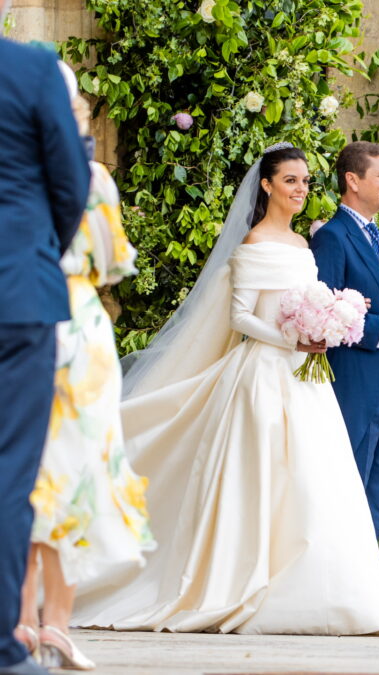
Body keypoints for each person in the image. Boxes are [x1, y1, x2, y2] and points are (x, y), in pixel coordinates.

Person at [70, 144, 379, 636]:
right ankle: (252, 586)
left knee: (318, 482)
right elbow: (242, 317)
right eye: (290, 180)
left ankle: (335, 596)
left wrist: (328, 326)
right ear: (266, 185)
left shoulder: (305, 247)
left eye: (306, 181)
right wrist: (290, 336)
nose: (301, 190)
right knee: (263, 478)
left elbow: (315, 299)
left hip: (306, 379)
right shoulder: (252, 243)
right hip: (264, 373)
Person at [16, 64, 154, 672]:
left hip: (22, 317)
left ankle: (17, 623)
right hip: (77, 320)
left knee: (23, 473)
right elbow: (111, 260)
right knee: (74, 473)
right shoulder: (91, 176)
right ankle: (57, 627)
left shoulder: (14, 168)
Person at [0, 29, 91, 675]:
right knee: (8, 477)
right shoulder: (30, 67)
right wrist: (35, 254)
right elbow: (71, 180)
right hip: (16, 295)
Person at [310, 141, 379, 538]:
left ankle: (364, 594)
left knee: (374, 497)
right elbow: (324, 317)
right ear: (353, 180)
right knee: (345, 491)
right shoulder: (333, 238)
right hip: (353, 387)